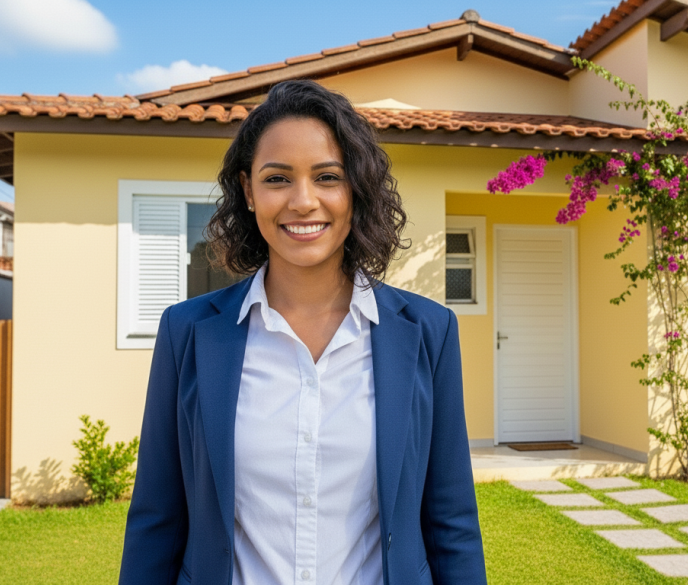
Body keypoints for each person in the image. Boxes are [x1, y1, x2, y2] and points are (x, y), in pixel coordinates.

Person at [118, 80, 487, 585]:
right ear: (248, 191)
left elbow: (452, 522)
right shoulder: (187, 332)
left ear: (355, 190)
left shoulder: (427, 331)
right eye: (277, 179)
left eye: (327, 176)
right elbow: (156, 520)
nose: (303, 201)